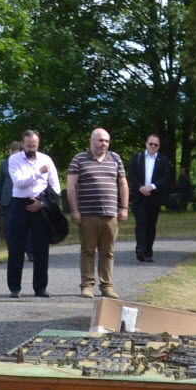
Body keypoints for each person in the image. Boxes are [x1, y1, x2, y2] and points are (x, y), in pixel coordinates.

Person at [65, 128, 131, 300]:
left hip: (110, 213)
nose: (104, 144)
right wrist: (75, 210)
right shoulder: (79, 159)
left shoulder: (115, 159)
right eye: (101, 140)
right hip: (87, 214)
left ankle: (107, 286)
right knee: (88, 250)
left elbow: (123, 184)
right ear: (91, 140)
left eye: (107, 141)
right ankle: (87, 285)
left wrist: (124, 207)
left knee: (108, 252)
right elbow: (70, 186)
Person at [1, 129, 60, 299]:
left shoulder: (46, 159)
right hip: (20, 204)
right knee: (16, 247)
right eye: (28, 146)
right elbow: (19, 182)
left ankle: (40, 288)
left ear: (38, 144)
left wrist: (43, 202)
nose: (31, 149)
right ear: (23, 144)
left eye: (34, 146)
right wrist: (38, 172)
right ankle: (14, 287)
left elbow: (55, 185)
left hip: (40, 203)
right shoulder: (14, 160)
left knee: (41, 248)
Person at [129, 134, 175, 263]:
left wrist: (152, 187)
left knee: (151, 224)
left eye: (156, 145)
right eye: (151, 144)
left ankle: (148, 252)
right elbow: (132, 175)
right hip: (139, 197)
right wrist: (140, 187)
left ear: (159, 146)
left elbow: (166, 177)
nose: (153, 146)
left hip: (154, 197)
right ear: (146, 144)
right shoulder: (137, 158)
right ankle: (140, 249)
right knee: (141, 223)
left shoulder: (163, 160)